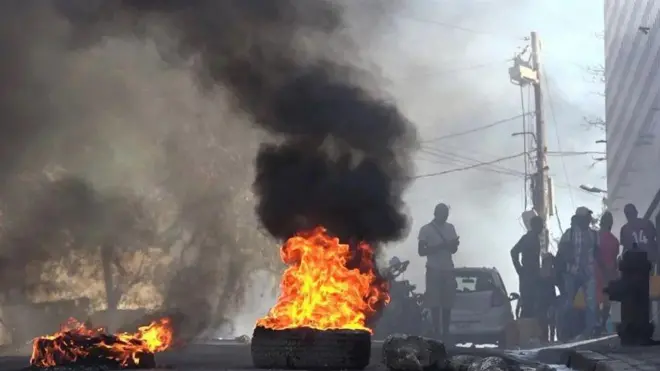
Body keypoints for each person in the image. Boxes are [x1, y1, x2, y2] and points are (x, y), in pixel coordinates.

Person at [557, 206, 599, 340]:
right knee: (569, 303)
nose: (589, 220)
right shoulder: (569, 233)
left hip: (588, 273)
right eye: (586, 217)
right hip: (571, 273)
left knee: (591, 303)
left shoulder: (594, 234)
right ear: (579, 219)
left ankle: (589, 332)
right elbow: (562, 253)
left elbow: (596, 253)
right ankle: (566, 332)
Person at [418, 203, 459, 341]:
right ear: (436, 213)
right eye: (443, 213)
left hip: (448, 268)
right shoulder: (426, 230)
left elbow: (453, 250)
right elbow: (421, 251)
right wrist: (441, 246)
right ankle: (437, 332)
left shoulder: (450, 228)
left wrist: (453, 245)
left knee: (447, 303)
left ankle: (446, 332)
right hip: (433, 268)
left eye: (447, 213)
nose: (446, 216)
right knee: (434, 303)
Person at [510, 215, 543, 319]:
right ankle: (526, 330)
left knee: (532, 305)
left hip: (532, 275)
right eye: (541, 225)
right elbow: (513, 251)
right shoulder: (529, 238)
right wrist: (519, 269)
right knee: (528, 305)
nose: (542, 228)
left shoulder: (533, 238)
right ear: (535, 226)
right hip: (528, 276)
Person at [596, 211, 619, 334]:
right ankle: (602, 323)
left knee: (596, 299)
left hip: (597, 272)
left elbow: (595, 255)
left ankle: (597, 324)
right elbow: (615, 259)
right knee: (606, 301)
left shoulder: (595, 237)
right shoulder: (614, 240)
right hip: (609, 274)